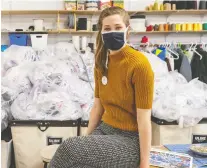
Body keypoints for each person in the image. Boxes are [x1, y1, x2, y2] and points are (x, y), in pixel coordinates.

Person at [49, 7, 154, 168]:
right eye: (107, 29)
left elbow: (144, 119)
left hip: (130, 140)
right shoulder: (101, 62)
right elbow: (97, 108)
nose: (113, 32)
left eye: (118, 27)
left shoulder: (139, 65)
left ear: (127, 30)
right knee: (77, 164)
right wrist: (85, 142)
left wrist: (144, 163)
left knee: (68, 148)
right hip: (105, 130)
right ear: (101, 32)